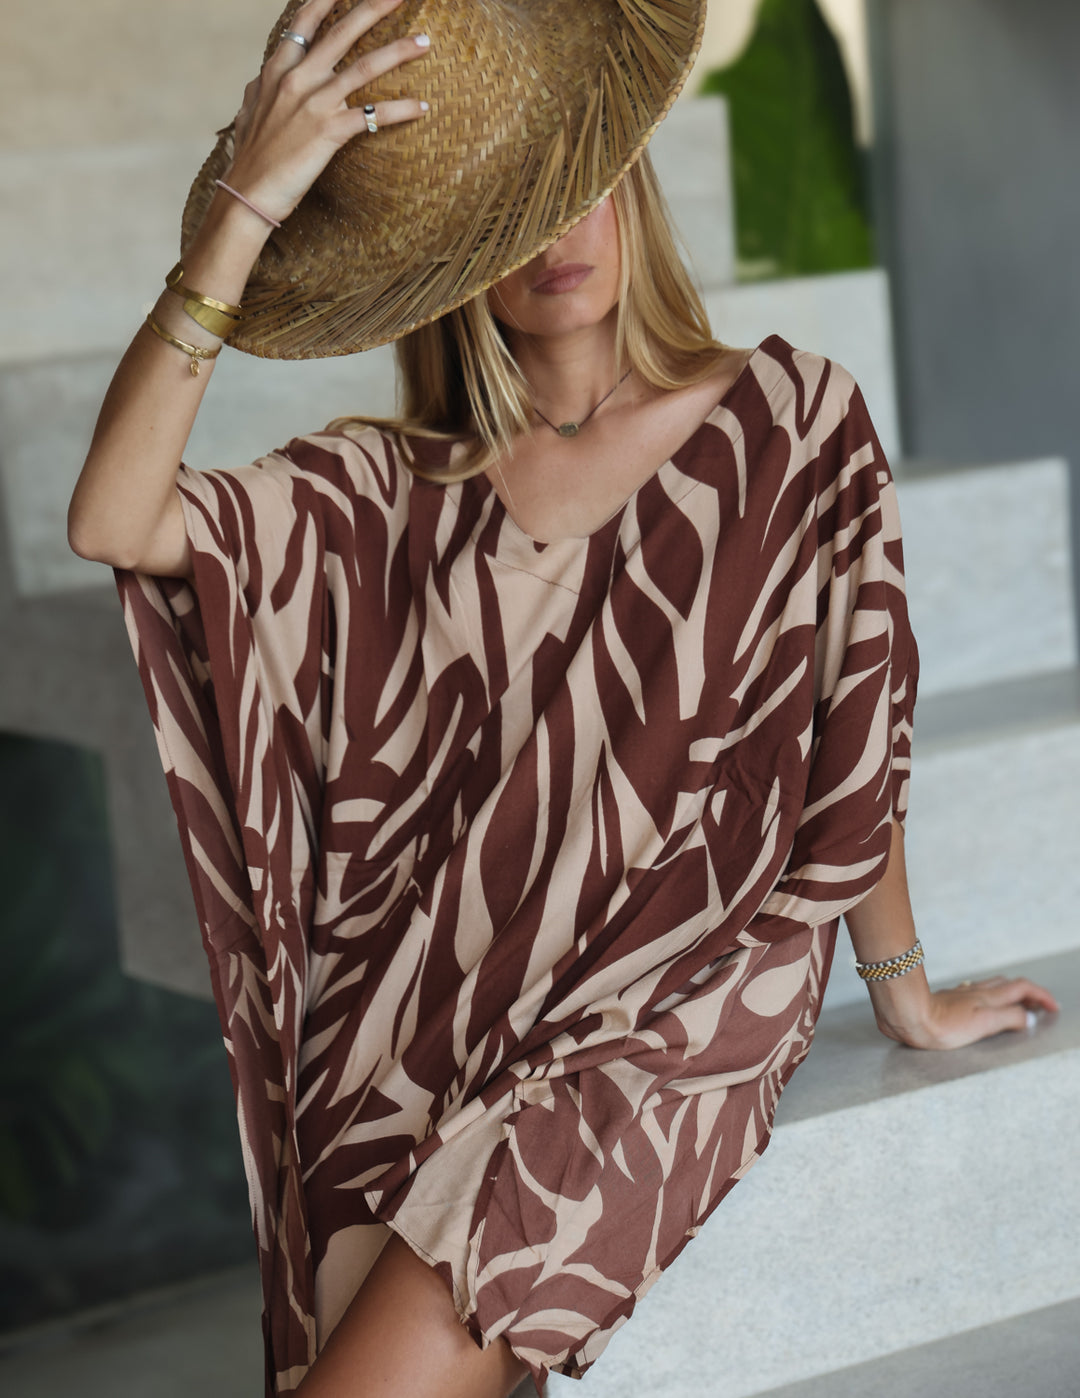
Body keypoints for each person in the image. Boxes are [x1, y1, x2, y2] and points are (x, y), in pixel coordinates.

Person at [67, 2, 1059, 1395]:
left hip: (669, 998)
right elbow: (114, 519)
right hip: (422, 1015)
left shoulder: (792, 422)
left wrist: (904, 992)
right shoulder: (395, 488)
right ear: (452, 261)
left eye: (575, 181)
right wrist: (239, 219)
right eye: (506, 213)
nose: (556, 236)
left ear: (630, 176)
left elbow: (851, 739)